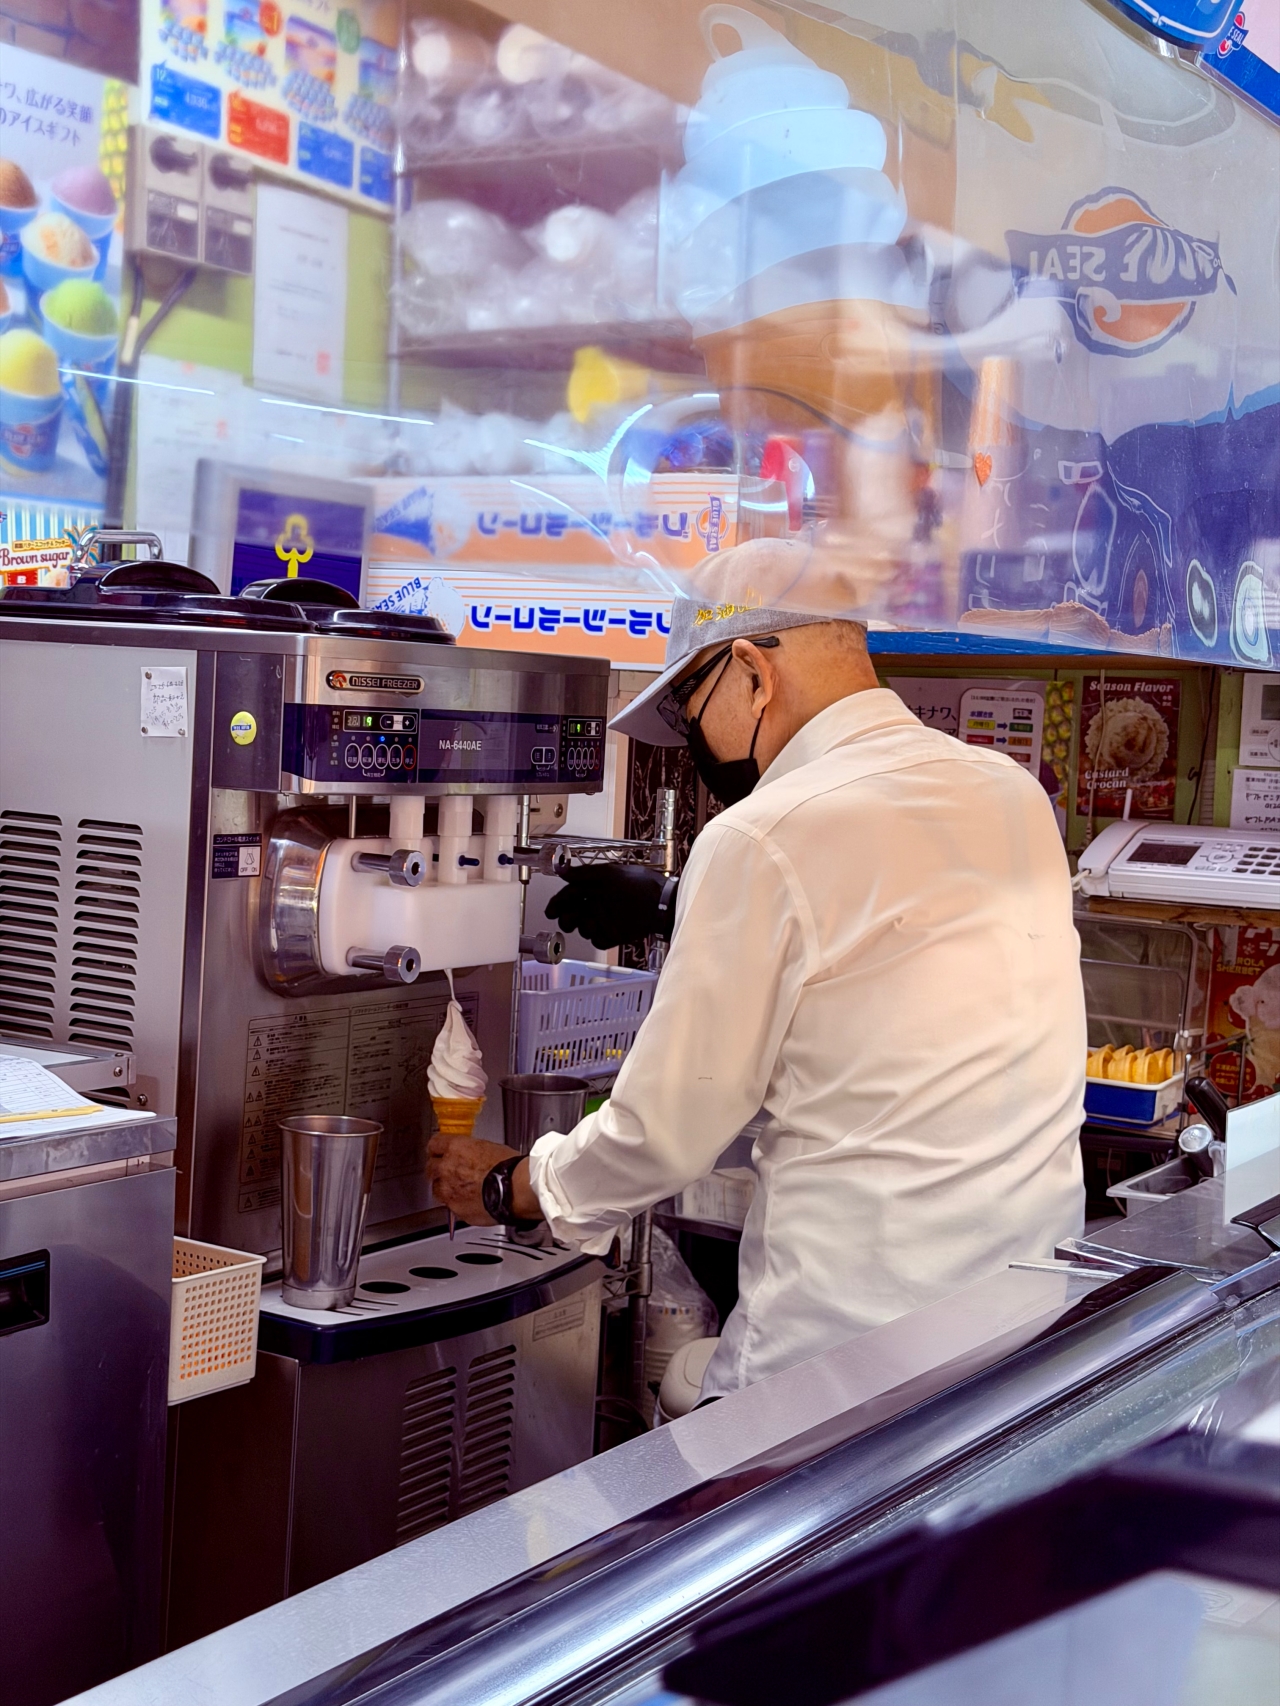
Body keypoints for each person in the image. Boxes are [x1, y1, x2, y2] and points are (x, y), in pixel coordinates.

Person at [428, 595, 1086, 1399]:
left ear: (751, 671)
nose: (699, 741)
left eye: (690, 709)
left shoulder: (763, 834)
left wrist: (517, 1186)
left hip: (847, 1353)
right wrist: (676, 902)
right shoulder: (1006, 789)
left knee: (701, 1409)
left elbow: (665, 1131)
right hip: (1020, 1325)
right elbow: (887, 929)